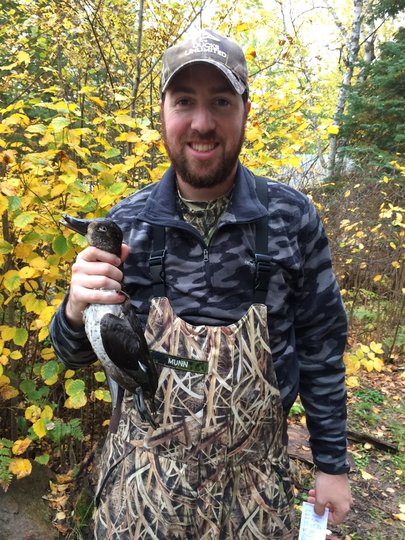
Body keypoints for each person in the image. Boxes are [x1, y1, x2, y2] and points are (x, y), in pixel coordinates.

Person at [50, 29, 352, 539]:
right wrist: (76, 310)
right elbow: (71, 354)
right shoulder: (127, 224)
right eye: (185, 100)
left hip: (255, 491)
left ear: (245, 111)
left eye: (221, 101)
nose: (203, 122)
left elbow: (322, 347)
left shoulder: (291, 218)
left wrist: (332, 464)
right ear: (163, 112)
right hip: (142, 491)